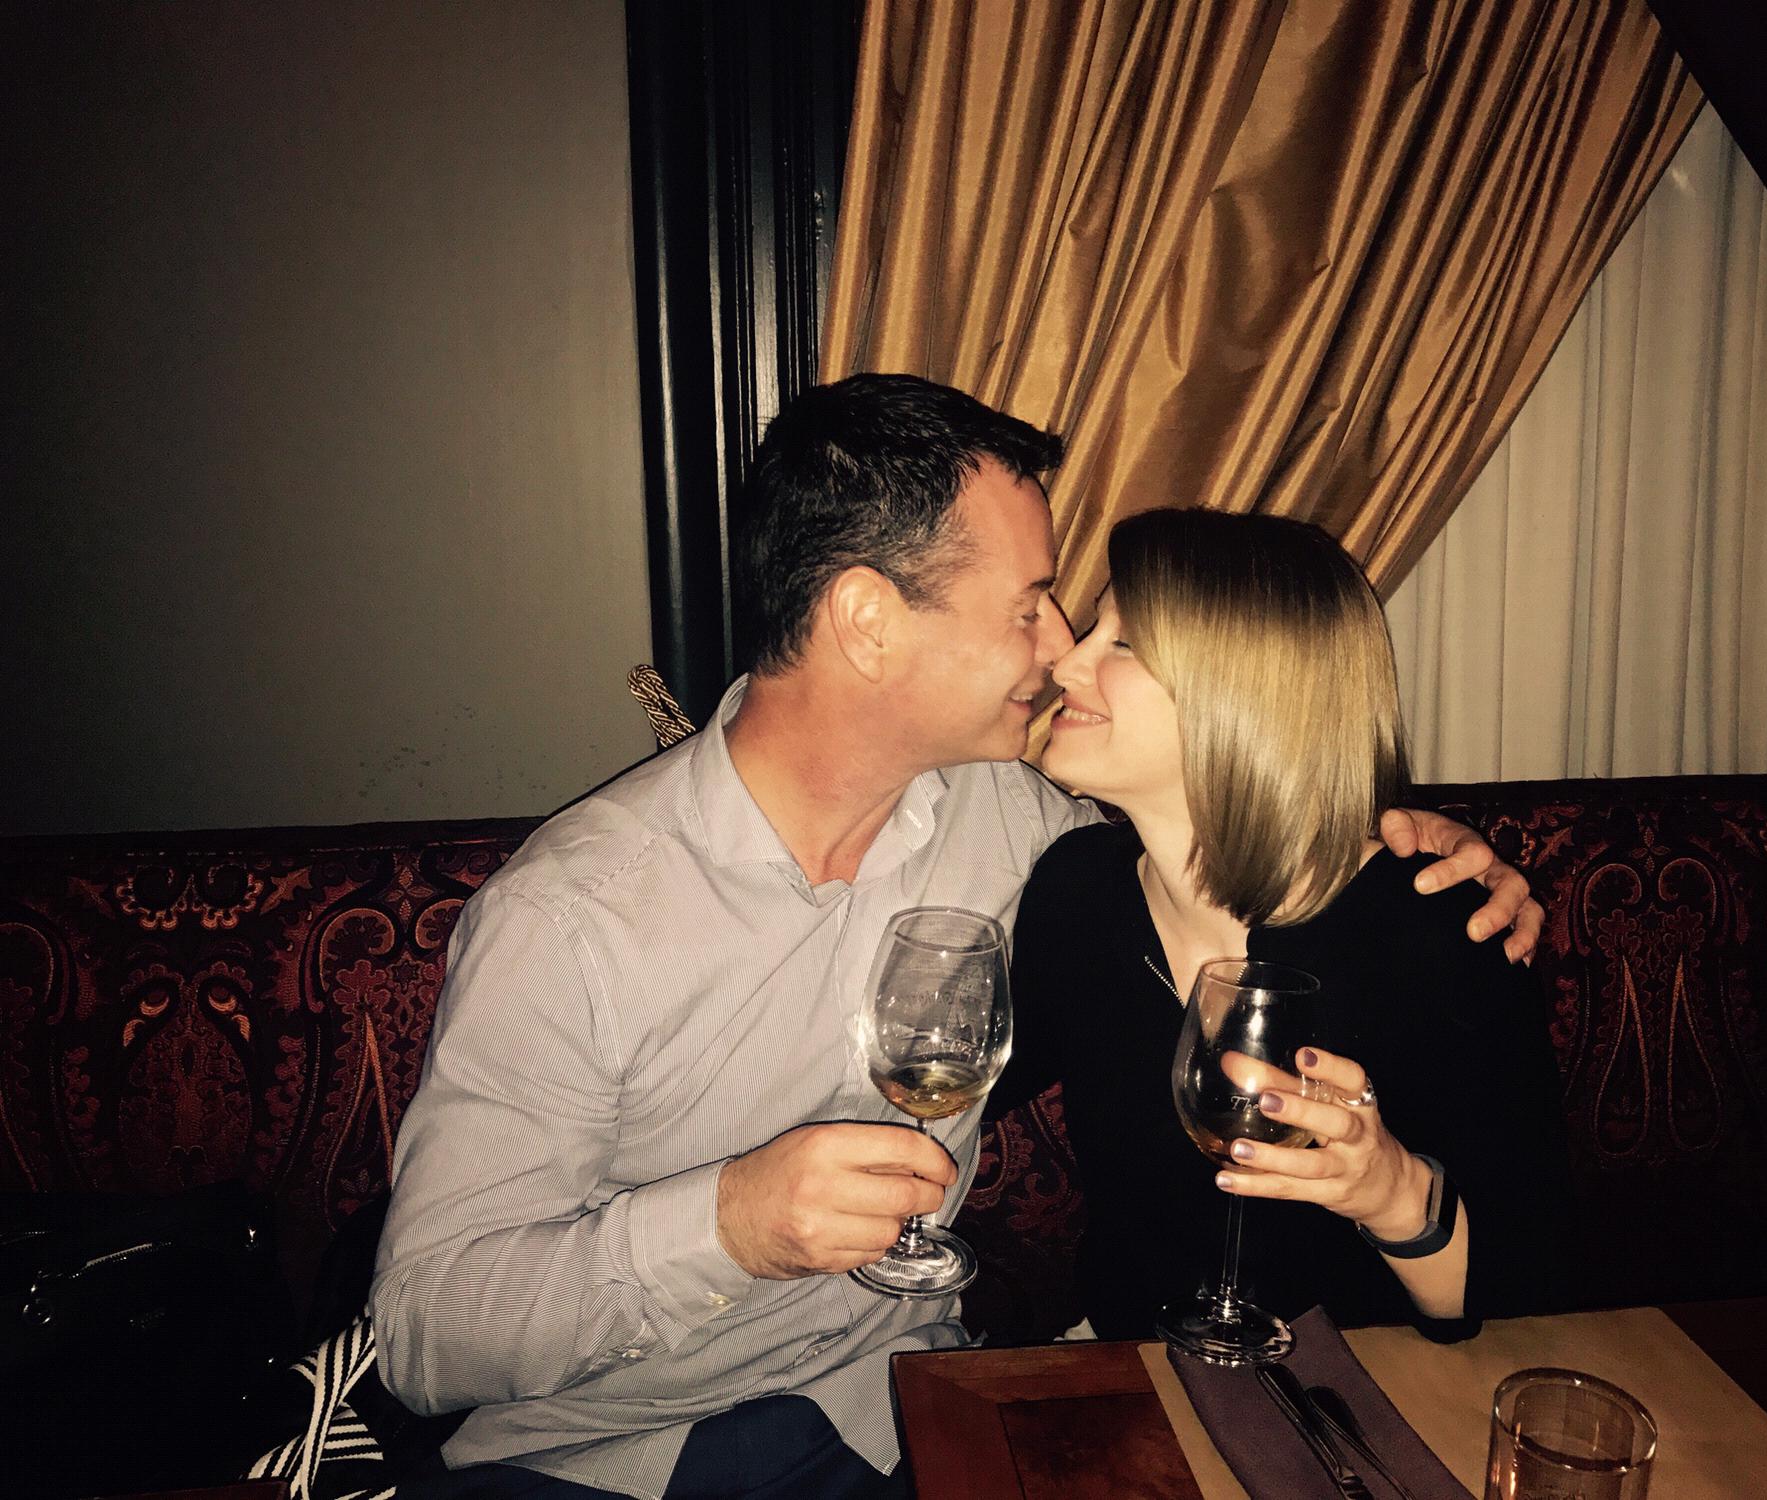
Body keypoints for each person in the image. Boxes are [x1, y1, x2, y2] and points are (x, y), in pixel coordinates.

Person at [371, 375, 1541, 1500]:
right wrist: (726, 1225)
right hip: (599, 1456)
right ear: (867, 622)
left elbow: (1240, 837)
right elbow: (426, 1339)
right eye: (1028, 607)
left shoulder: (1024, 833)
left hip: (897, 1416)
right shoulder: (570, 919)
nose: (1057, 647)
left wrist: (1413, 846)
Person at [995, 507, 1570, 1346]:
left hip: (1369, 1383)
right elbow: (969, 1073)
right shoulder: (1077, 892)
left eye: (1123, 642)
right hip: (1138, 1368)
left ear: (1243, 696)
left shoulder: (1439, 929)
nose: (1068, 661)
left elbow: (1531, 1291)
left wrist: (1391, 1192)